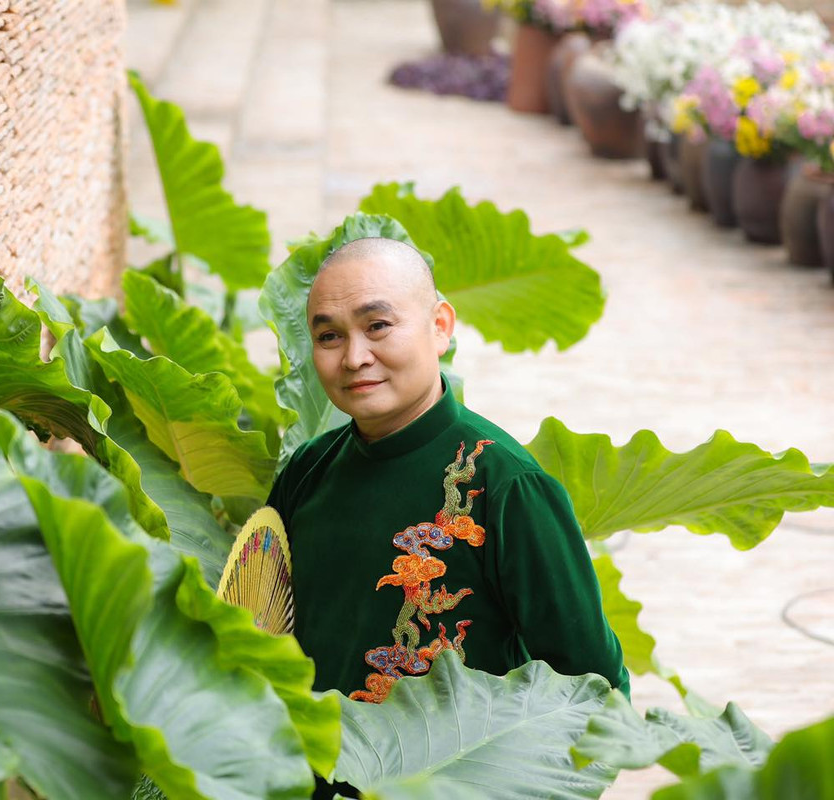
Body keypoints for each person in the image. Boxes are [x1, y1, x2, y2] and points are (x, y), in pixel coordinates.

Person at [266, 237, 628, 795]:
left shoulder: (505, 485)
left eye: (378, 326)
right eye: (328, 336)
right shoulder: (308, 471)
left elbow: (595, 693)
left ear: (440, 326)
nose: (354, 357)